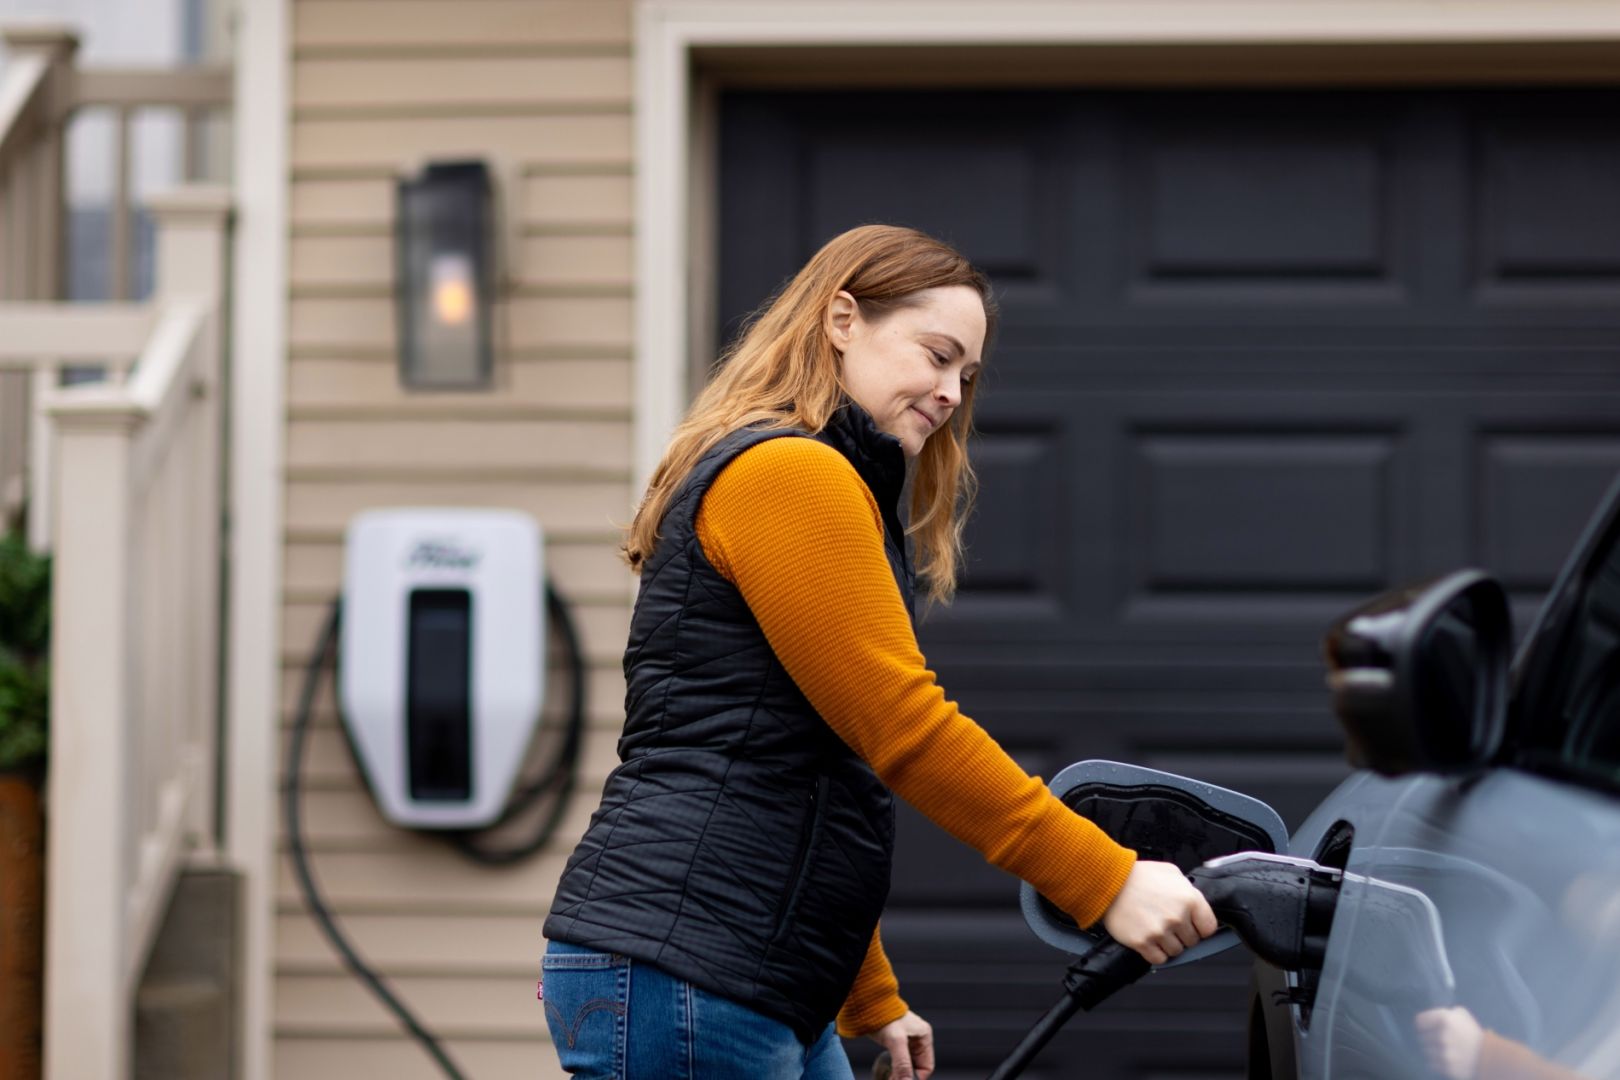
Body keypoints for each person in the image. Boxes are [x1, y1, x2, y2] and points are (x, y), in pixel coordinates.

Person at [540, 224, 1218, 1080]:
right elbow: (902, 727)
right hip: (690, 967)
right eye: (935, 355)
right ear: (842, 319)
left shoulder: (807, 476)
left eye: (965, 376)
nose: (949, 392)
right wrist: (1105, 879)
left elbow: (812, 767)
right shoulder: (790, 473)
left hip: (742, 971)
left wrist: (871, 996)